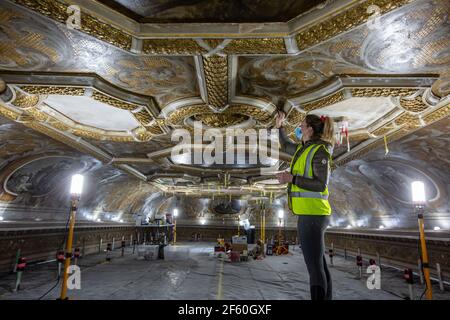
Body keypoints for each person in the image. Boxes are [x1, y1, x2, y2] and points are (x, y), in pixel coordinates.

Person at [275, 111, 334, 300]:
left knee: (314, 268)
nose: (299, 128)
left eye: (302, 125)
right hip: (309, 214)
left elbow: (320, 184)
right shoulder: (304, 148)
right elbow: (285, 145)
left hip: (313, 215)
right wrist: (279, 126)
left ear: (310, 129)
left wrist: (291, 178)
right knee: (320, 265)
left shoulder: (320, 151)